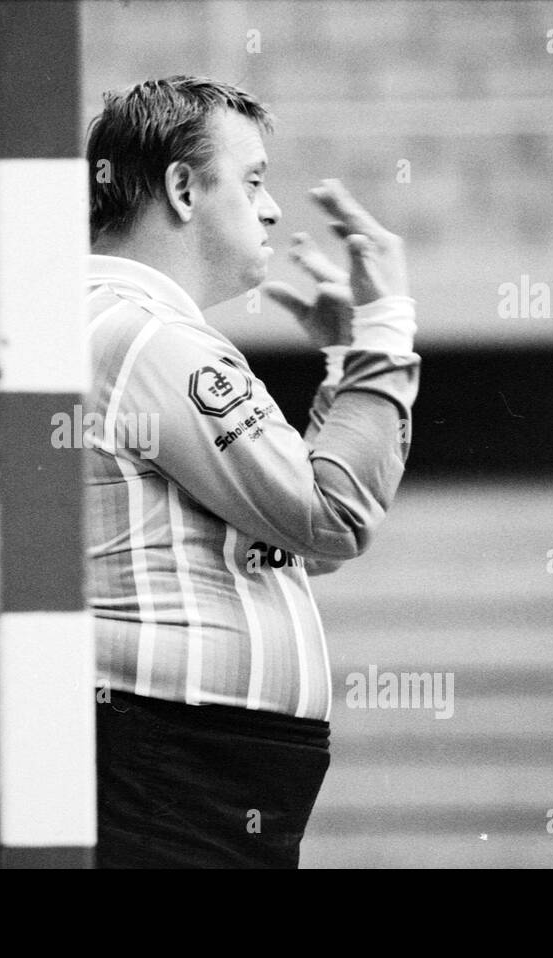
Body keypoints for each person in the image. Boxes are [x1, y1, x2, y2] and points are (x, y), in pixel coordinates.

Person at [84, 76, 421, 868]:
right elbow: (335, 516)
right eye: (255, 181)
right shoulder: (146, 336)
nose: (271, 210)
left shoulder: (126, 329)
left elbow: (310, 539)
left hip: (182, 763)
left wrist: (346, 364)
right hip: (166, 763)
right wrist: (386, 330)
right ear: (181, 187)